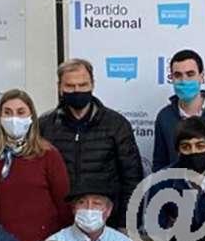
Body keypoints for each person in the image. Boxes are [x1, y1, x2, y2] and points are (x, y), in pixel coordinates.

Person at [37, 58, 144, 226]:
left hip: (107, 223)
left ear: (92, 84)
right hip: (59, 224)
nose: (77, 91)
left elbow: (132, 178)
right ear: (59, 87)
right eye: (70, 86)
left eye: (82, 85)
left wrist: (125, 223)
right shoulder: (44, 125)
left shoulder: (116, 125)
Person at [0, 89, 71, 241]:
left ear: (31, 117)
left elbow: (64, 204)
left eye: (20, 112)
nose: (14, 119)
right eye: (7, 112)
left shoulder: (48, 154)